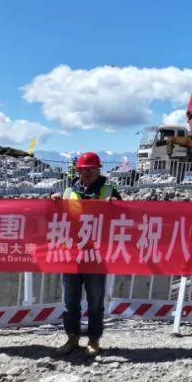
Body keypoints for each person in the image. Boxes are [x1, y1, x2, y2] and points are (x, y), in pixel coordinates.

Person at [52, 151, 122, 357]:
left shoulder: (109, 190)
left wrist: (115, 206)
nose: (88, 173)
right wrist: (54, 202)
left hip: (96, 256)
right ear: (78, 171)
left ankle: (94, 340)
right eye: (84, 170)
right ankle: (72, 338)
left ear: (99, 170)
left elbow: (124, 218)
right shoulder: (68, 191)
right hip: (72, 255)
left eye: (92, 169)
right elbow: (58, 218)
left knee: (95, 302)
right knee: (70, 302)